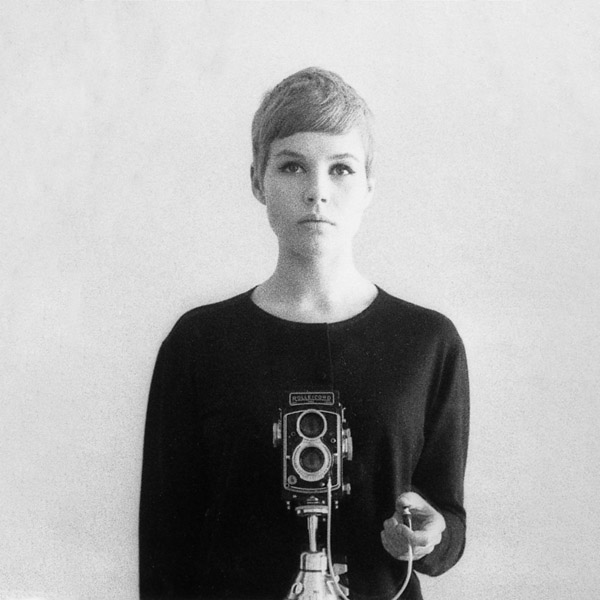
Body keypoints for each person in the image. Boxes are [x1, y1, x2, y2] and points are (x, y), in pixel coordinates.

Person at [139, 67, 469, 600]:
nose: (316, 192)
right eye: (292, 166)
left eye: (341, 169)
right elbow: (165, 544)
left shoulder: (426, 342)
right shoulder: (199, 344)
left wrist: (431, 536)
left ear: (369, 185)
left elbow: (446, 517)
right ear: (257, 180)